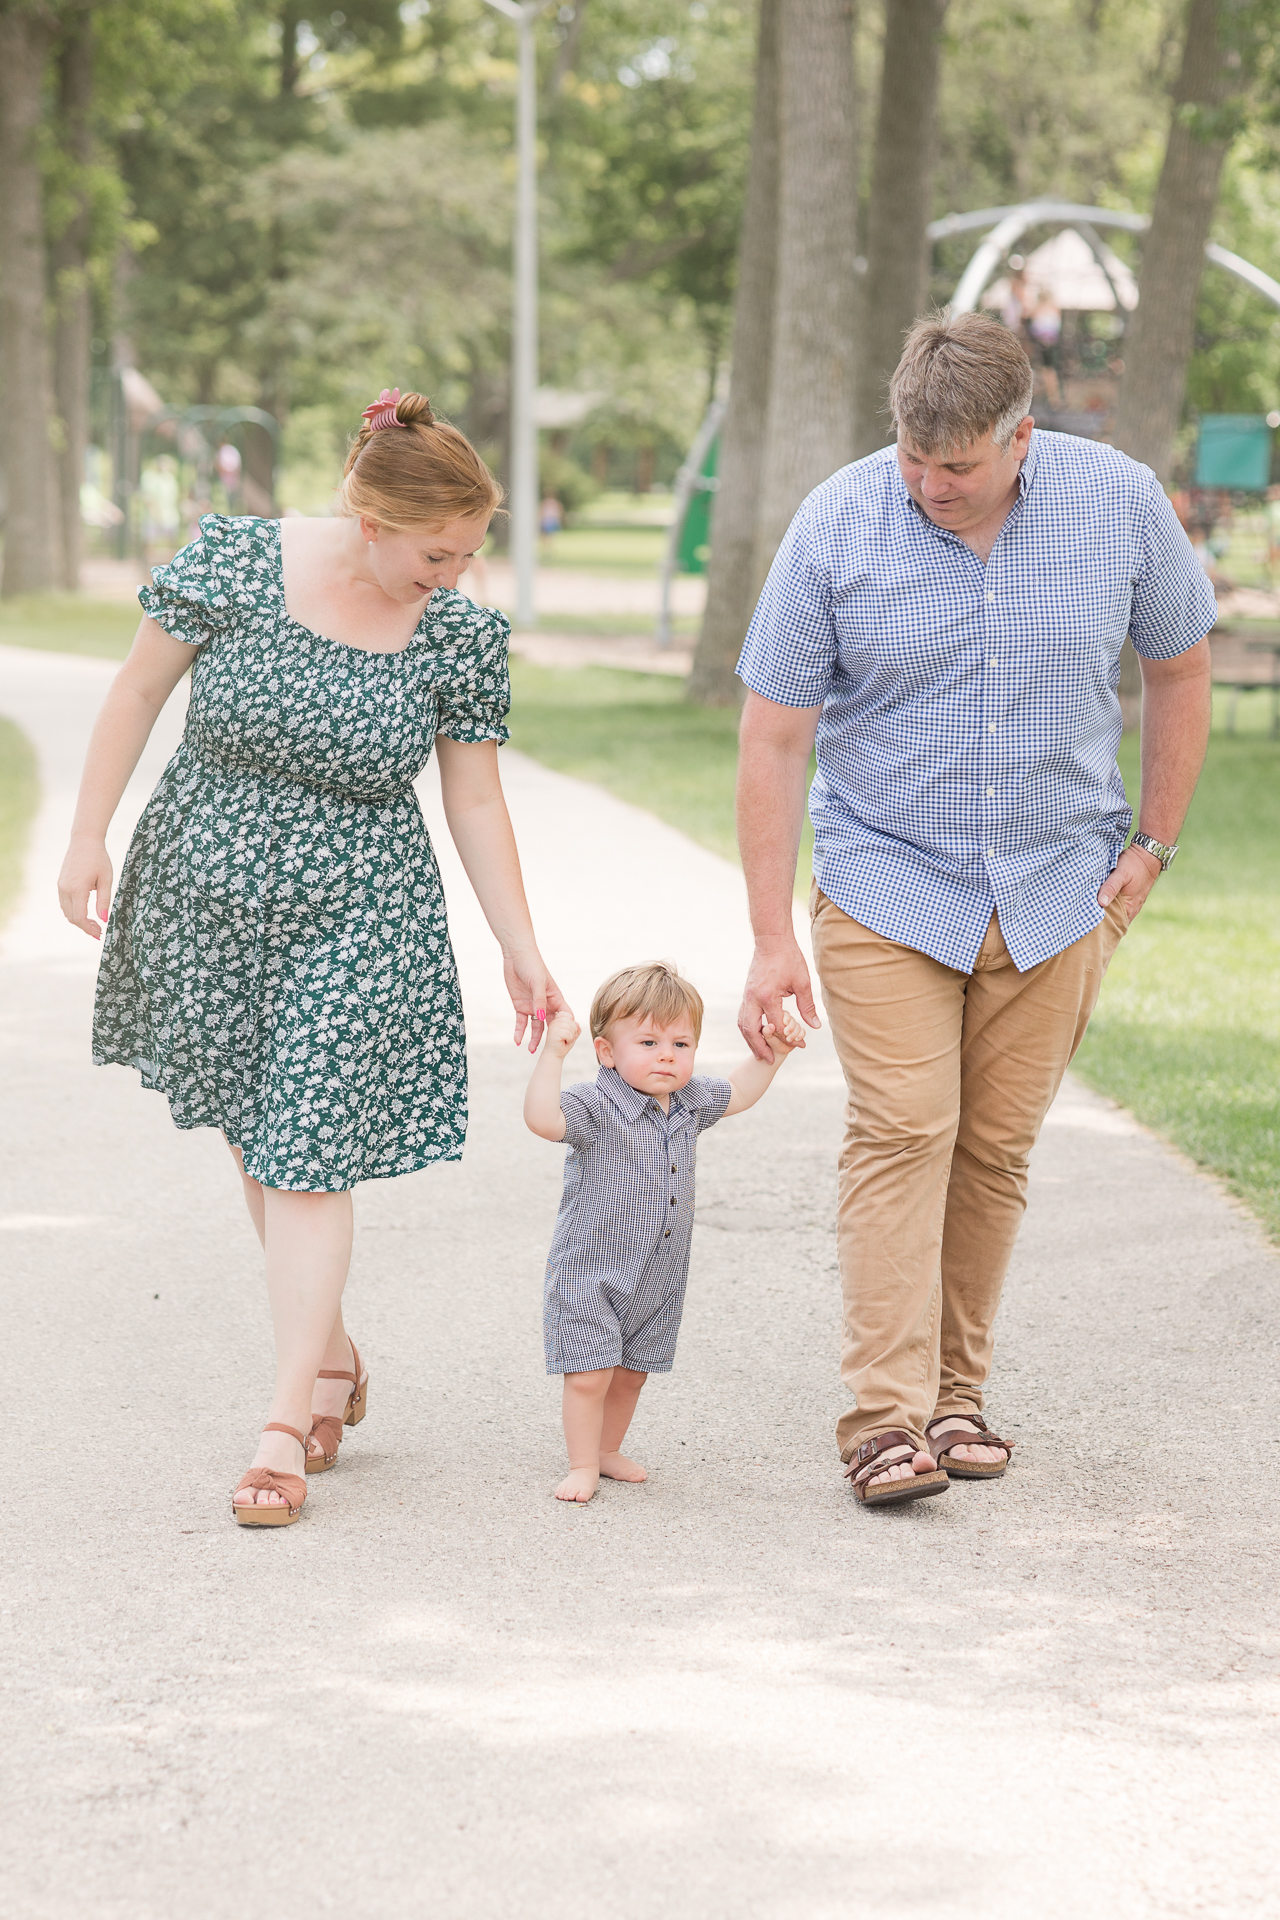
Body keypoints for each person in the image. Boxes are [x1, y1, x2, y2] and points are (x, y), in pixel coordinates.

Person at [58, 385, 565, 1528]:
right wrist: (86, 834)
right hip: (207, 890)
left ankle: (284, 1427)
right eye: (437, 553)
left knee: (305, 1152)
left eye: (469, 554)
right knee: (260, 1127)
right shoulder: (235, 563)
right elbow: (136, 691)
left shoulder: (455, 634)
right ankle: (329, 1357)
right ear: (369, 518)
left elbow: (475, 801)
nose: (453, 575)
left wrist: (519, 947)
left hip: (362, 911)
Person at [734, 311, 1214, 1509]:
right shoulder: (837, 520)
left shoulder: (1117, 506)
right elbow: (774, 731)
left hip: (1057, 890)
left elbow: (1179, 664)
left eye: (954, 465)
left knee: (993, 1151)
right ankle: (881, 1421)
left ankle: (956, 1397)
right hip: (888, 878)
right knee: (903, 1128)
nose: (927, 483)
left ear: (1019, 438)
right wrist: (765, 936)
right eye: (912, 456)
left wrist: (1151, 845)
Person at [524, 962, 804, 1504]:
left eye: (681, 1043)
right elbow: (542, 1119)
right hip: (592, 1270)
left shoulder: (689, 1100)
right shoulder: (596, 1105)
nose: (667, 1055)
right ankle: (582, 1463)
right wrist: (552, 1055)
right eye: (648, 1042)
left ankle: (607, 1449)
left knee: (631, 1374)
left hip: (657, 1274)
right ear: (607, 1052)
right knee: (589, 1373)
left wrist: (775, 1054)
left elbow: (739, 1092)